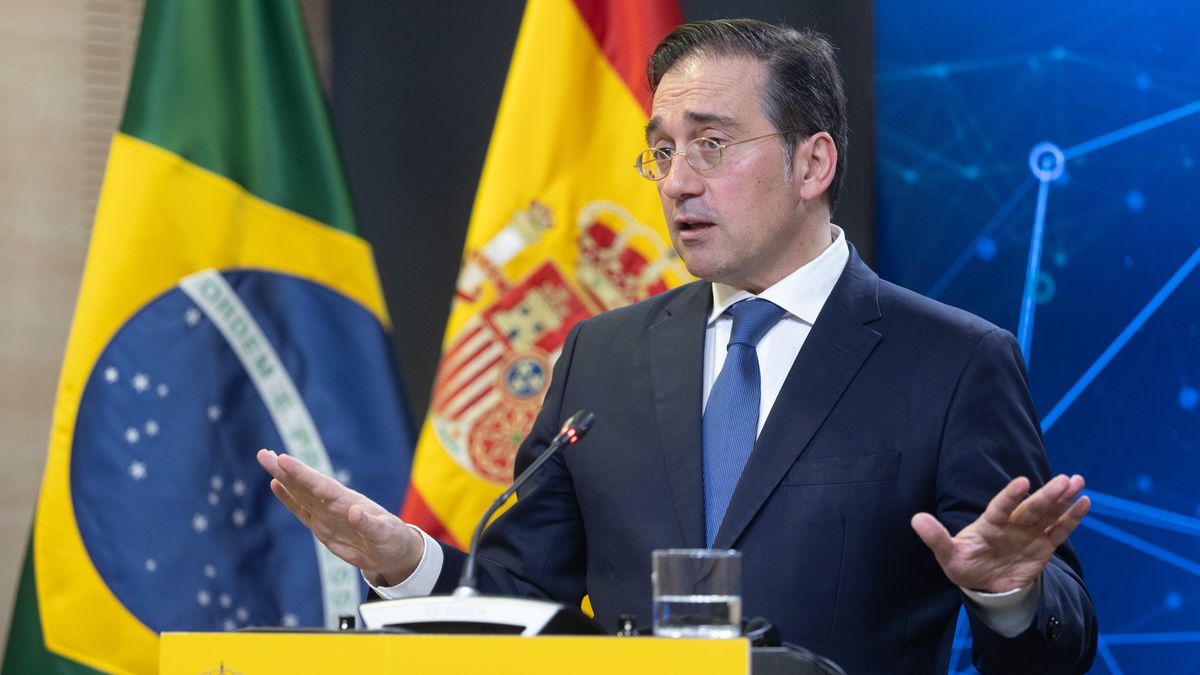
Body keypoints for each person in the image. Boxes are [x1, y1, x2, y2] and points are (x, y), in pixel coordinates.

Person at [257, 19, 1096, 673]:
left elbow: (1057, 649)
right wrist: (411, 565)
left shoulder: (949, 362)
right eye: (660, 151)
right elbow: (515, 609)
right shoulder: (601, 356)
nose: (676, 181)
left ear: (814, 164)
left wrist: (1008, 590)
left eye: (711, 144)